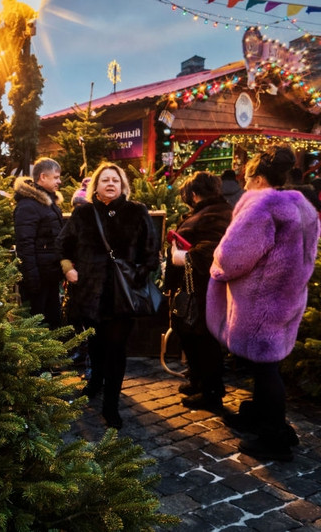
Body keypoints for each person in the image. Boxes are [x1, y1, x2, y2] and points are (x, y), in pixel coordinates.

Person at [207, 145, 320, 462]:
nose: (244, 185)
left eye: (246, 178)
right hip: (288, 298)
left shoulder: (261, 208)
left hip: (260, 303)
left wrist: (216, 268)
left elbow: (231, 257)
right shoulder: (304, 206)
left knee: (266, 367)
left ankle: (274, 437)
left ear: (257, 178)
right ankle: (257, 416)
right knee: (265, 365)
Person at [55, 162, 160, 429]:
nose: (110, 183)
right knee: (95, 344)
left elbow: (151, 252)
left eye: (115, 179)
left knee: (116, 349)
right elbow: (63, 244)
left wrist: (137, 276)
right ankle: (94, 383)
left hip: (122, 296)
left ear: (123, 185)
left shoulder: (136, 212)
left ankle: (111, 404)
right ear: (96, 186)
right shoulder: (84, 213)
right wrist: (68, 269)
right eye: (105, 180)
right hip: (89, 293)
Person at [164, 172, 233, 413]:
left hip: (204, 289)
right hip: (193, 288)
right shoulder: (214, 211)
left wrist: (182, 256)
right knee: (190, 335)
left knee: (203, 340)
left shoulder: (215, 214)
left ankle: (211, 392)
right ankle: (198, 381)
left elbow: (211, 251)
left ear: (193, 194)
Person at [13, 157, 65, 330]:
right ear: (43, 177)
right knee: (38, 324)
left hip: (50, 276)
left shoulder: (48, 203)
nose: (59, 181)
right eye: (56, 177)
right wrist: (32, 280)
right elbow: (25, 245)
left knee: (53, 321)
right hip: (38, 279)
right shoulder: (28, 205)